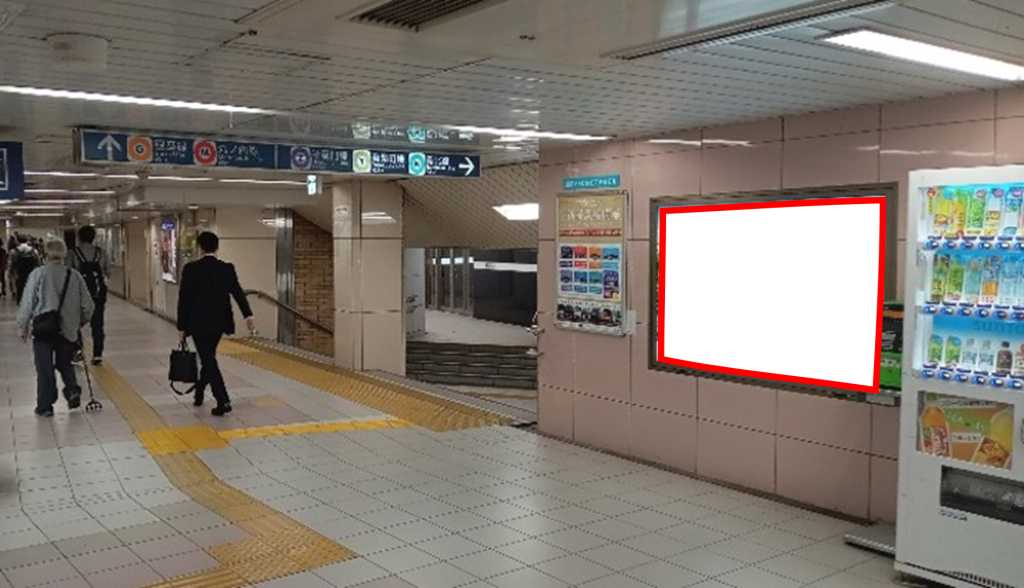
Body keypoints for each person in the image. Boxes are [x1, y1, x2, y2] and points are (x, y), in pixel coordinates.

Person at [176, 231, 255, 416]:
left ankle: (223, 400)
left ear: (200, 247)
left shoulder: (191, 269)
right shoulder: (226, 268)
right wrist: (248, 315)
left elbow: (184, 299)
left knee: (208, 359)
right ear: (217, 247)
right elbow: (237, 292)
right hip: (220, 323)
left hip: (197, 324)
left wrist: (181, 326)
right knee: (208, 358)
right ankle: (199, 391)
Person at [16, 239, 94, 417]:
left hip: (44, 328)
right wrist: (79, 321)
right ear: (64, 254)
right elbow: (88, 306)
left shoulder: (38, 274)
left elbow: (27, 303)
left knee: (44, 367)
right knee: (65, 362)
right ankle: (72, 391)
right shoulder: (74, 275)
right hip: (67, 329)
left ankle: (45, 406)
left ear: (46, 254)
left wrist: (23, 327)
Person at [68, 226, 109, 365]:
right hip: (97, 295)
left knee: (74, 323)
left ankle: (78, 350)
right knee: (97, 325)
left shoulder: (73, 253)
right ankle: (97, 354)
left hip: (78, 294)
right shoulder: (101, 253)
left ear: (79, 237)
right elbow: (107, 272)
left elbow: (68, 273)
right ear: (93, 237)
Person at [12, 235, 40, 304]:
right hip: (32, 273)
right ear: (27, 241)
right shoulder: (34, 251)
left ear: (18, 241)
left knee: (20, 287)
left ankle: (20, 301)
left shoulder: (14, 251)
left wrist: (12, 274)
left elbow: (12, 264)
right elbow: (38, 263)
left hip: (20, 273)